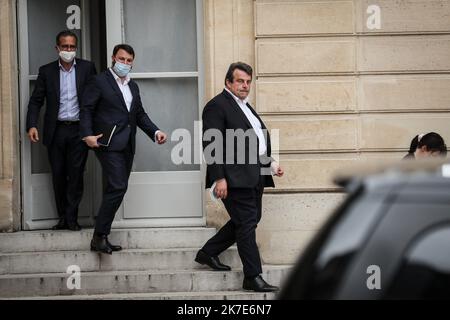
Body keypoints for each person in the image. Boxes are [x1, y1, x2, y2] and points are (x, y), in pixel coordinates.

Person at [195, 62, 284, 292]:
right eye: (240, 81)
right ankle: (252, 276)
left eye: (247, 81)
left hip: (254, 176)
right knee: (246, 224)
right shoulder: (217, 106)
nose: (245, 86)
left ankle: (208, 252)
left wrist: (271, 165)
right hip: (233, 179)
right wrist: (219, 179)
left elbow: (253, 144)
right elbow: (211, 144)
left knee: (248, 220)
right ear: (228, 82)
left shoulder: (245, 106)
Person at [80, 44, 167, 254]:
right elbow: (86, 109)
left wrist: (155, 132)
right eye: (122, 59)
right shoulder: (99, 81)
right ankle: (99, 236)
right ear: (113, 58)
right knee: (118, 185)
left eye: (129, 61)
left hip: (128, 143)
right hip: (107, 142)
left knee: (117, 187)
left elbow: (139, 115)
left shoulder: (132, 86)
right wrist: (86, 135)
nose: (125, 64)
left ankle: (101, 236)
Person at [26, 30, 97, 231]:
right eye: (65, 47)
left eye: (72, 47)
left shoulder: (87, 68)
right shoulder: (47, 71)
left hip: (78, 130)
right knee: (58, 174)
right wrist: (31, 124)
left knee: (75, 175)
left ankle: (72, 219)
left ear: (76, 48)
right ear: (57, 48)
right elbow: (36, 101)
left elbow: (95, 99)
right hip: (55, 130)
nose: (68, 50)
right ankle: (62, 218)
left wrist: (94, 129)